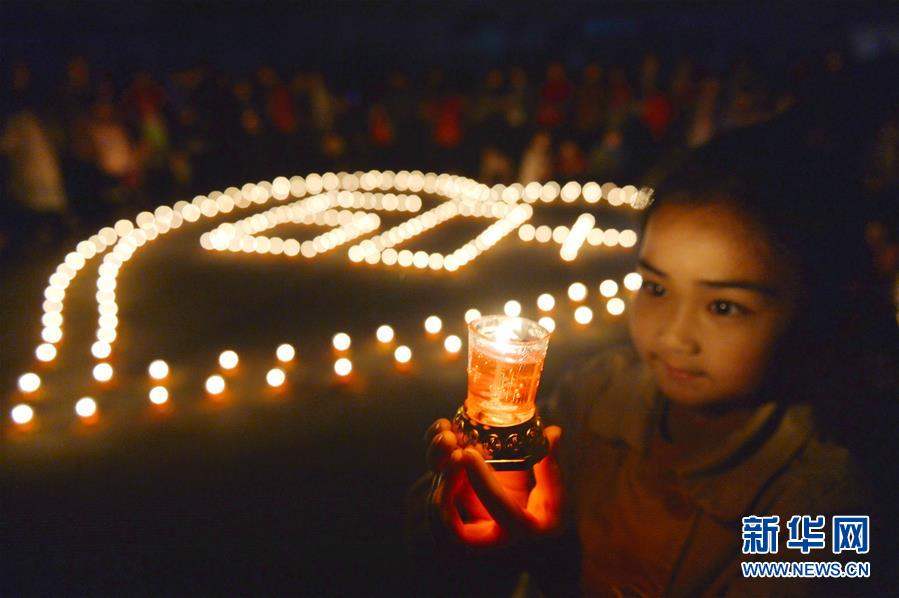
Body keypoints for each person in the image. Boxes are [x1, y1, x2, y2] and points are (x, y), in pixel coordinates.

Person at [408, 114, 898, 596]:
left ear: (811, 308)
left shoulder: (820, 503)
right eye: (656, 288)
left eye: (723, 306)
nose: (674, 336)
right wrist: (472, 515)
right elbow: (500, 541)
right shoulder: (596, 395)